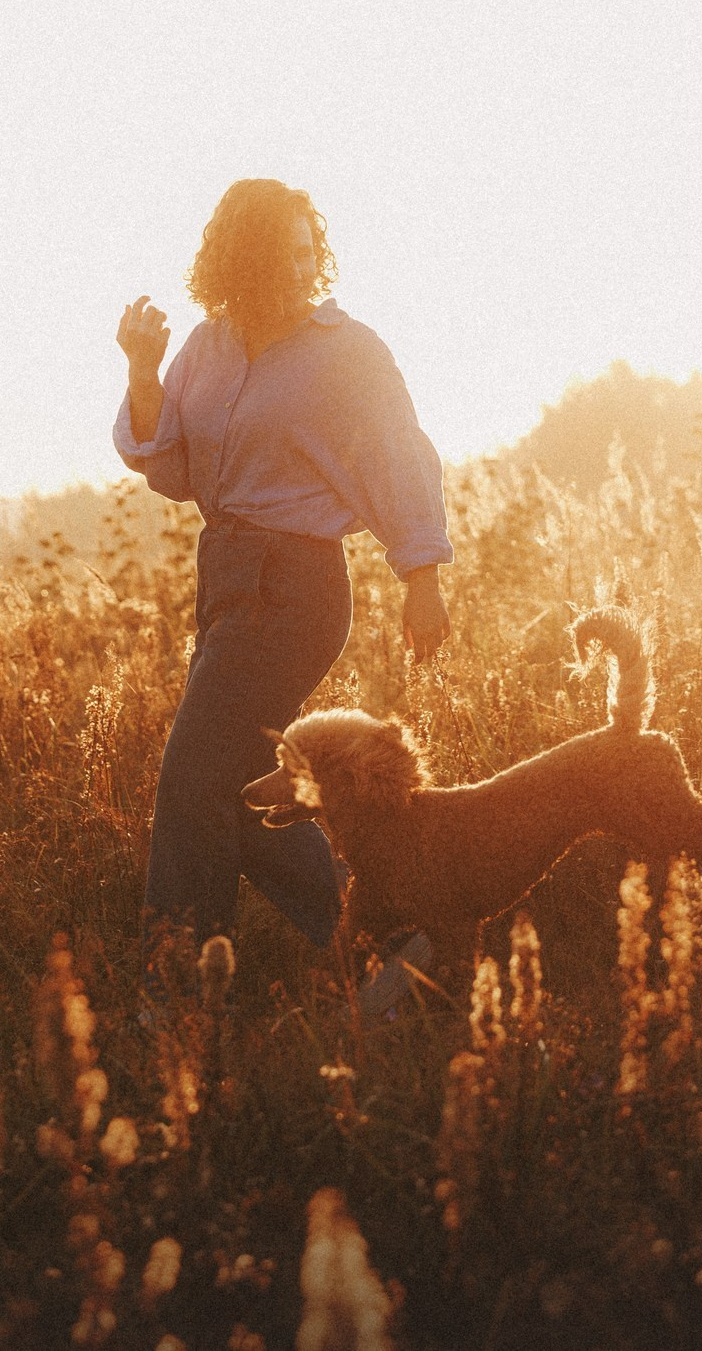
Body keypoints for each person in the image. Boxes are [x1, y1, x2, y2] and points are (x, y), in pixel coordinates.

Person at [113, 178, 452, 949]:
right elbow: (174, 473)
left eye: (311, 253)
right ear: (244, 260)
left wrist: (421, 576)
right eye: (286, 256)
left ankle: (182, 988)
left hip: (295, 588)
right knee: (234, 791)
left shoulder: (346, 351)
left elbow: (399, 457)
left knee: (190, 781)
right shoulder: (210, 346)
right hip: (226, 578)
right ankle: (387, 941)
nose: (305, 270)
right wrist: (143, 373)